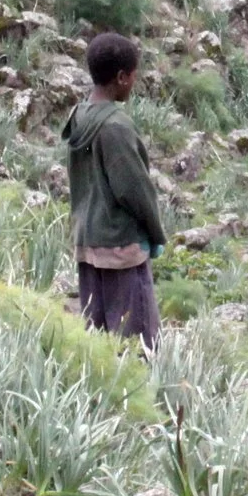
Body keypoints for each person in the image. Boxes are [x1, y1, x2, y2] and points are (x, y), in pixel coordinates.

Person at [64, 32, 164, 345]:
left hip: (88, 244)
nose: (134, 82)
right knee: (136, 346)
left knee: (99, 343)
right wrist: (156, 234)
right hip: (122, 249)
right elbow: (134, 190)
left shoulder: (79, 117)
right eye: (134, 75)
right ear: (121, 77)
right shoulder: (116, 126)